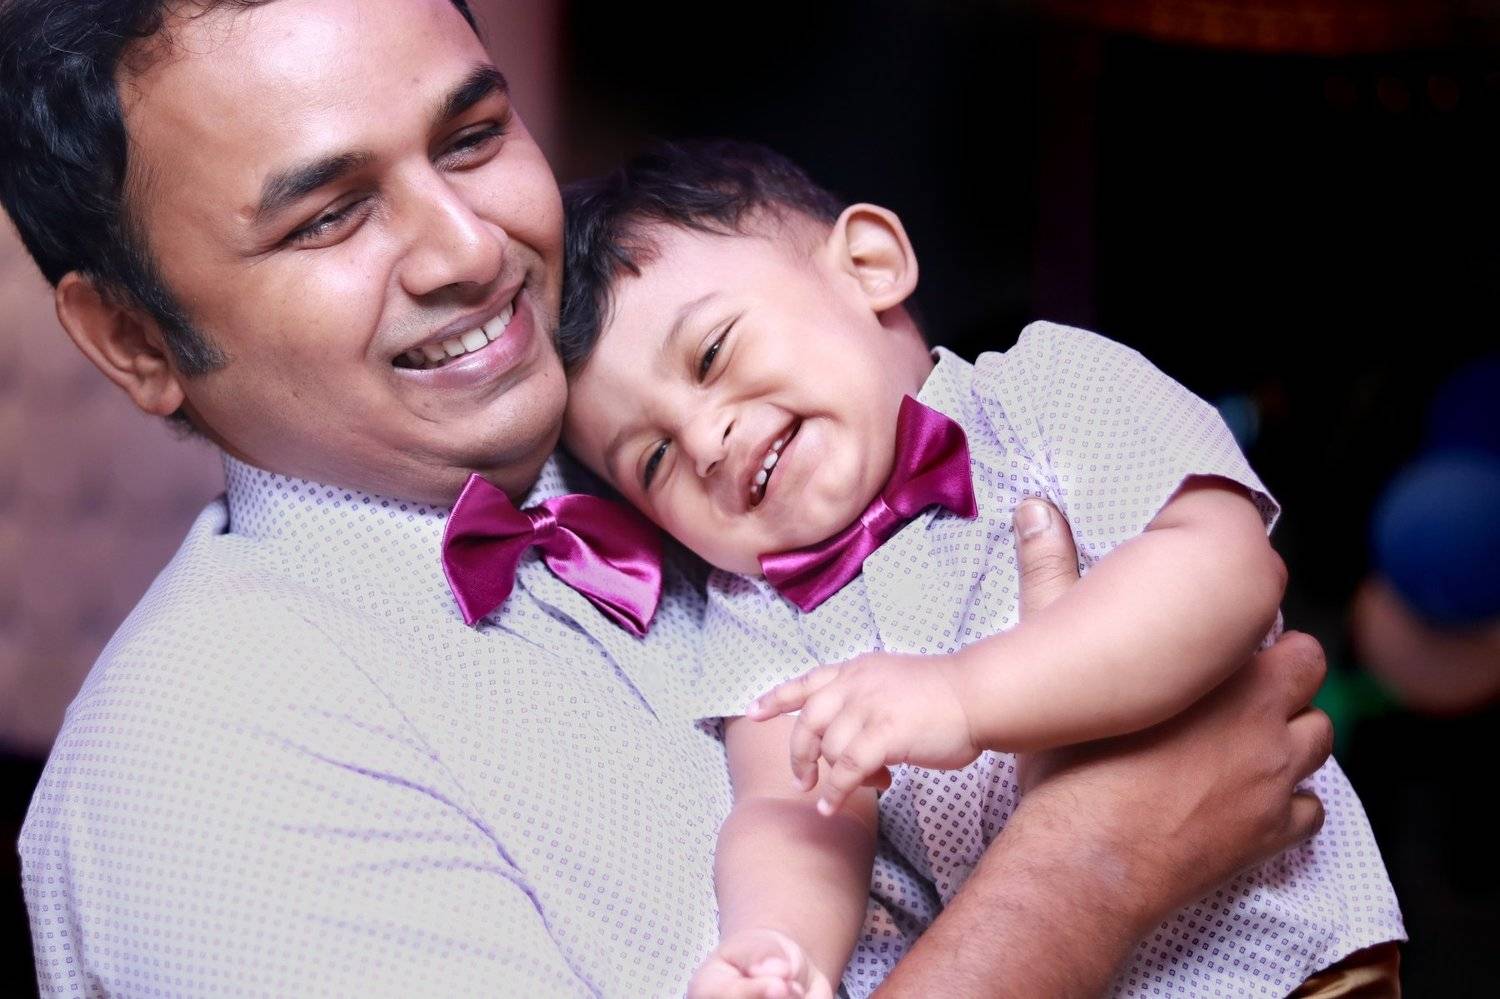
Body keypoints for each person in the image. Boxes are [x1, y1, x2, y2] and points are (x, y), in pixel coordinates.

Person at [1, 0, 1339, 994]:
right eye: (328, 215)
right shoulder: (204, 769)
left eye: (473, 136)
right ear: (133, 338)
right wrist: (1086, 876)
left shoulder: (709, 467)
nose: (470, 249)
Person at [558, 142, 1404, 997]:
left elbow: (1223, 571)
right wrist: (776, 940)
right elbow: (791, 807)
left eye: (711, 354)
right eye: (653, 459)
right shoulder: (756, 612)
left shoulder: (1043, 394)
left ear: (868, 266)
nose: (705, 442)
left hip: (1274, 947)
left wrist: (965, 694)